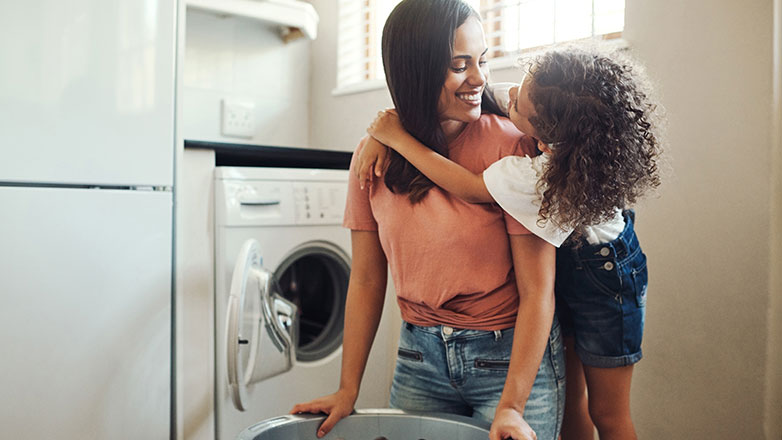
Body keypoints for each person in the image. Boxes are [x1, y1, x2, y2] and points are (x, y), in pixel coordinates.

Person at [290, 1, 565, 440]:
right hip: (418, 358)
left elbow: (538, 291)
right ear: (415, 70)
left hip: (506, 361)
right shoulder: (373, 154)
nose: (479, 78)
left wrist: (511, 406)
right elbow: (365, 280)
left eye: (483, 61)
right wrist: (347, 389)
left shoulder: (513, 148)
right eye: (460, 65)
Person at [358, 45, 662, 440]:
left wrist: (397, 138)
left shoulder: (536, 176)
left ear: (541, 133)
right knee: (572, 404)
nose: (509, 95)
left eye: (519, 106)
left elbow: (467, 187)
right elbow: (439, 93)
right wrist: (390, 126)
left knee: (608, 412)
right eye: (521, 85)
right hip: (564, 262)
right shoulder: (540, 101)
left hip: (608, 279)